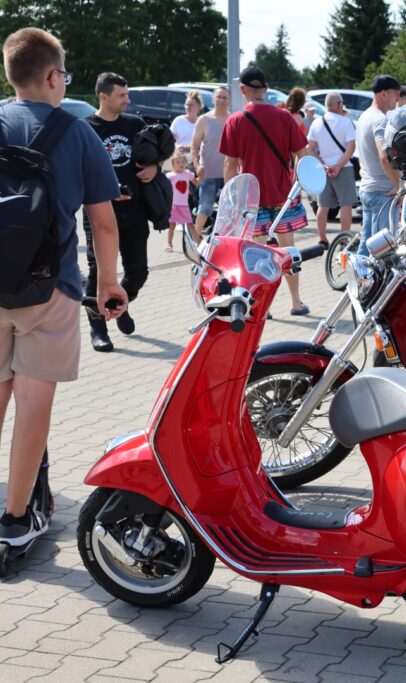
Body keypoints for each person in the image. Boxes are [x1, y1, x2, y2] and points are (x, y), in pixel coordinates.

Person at [0, 27, 126, 547]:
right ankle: (13, 522)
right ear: (53, 77)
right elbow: (103, 223)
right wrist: (108, 286)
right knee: (33, 399)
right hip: (50, 287)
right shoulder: (79, 134)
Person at [220, 66, 311, 315]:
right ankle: (296, 302)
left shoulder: (235, 120)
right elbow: (303, 154)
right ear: (266, 89)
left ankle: (261, 307)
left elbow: (229, 163)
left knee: (257, 255)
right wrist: (298, 182)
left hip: (252, 199)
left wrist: (232, 198)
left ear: (243, 90)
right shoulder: (284, 118)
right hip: (283, 195)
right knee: (288, 251)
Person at [83, 72, 160, 351]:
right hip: (99, 210)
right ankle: (97, 328)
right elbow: (77, 169)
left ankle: (117, 303)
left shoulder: (135, 124)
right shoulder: (86, 127)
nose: (128, 100)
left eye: (127, 95)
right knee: (98, 271)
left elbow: (153, 156)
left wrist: (155, 167)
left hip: (135, 210)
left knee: (138, 272)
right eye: (122, 96)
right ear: (103, 96)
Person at [354, 75, 401, 276]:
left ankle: (358, 280)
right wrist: (397, 182)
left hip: (368, 188)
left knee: (366, 242)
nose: (397, 99)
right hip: (383, 191)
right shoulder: (380, 120)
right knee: (383, 248)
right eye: (395, 95)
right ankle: (374, 289)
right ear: (384, 94)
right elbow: (384, 156)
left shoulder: (365, 116)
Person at [306, 92, 357, 247]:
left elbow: (310, 148)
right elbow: (351, 147)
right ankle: (344, 239)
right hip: (344, 168)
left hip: (324, 170)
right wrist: (339, 165)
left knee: (323, 206)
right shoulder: (346, 122)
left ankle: (322, 239)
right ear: (339, 104)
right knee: (346, 205)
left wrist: (323, 164)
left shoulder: (316, 123)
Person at [190, 85, 229, 235]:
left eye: (224, 97)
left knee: (229, 210)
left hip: (229, 174)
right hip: (208, 174)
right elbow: (194, 146)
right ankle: (196, 237)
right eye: (218, 97)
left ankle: (226, 238)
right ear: (213, 99)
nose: (221, 100)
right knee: (204, 207)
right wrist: (197, 165)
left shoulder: (232, 119)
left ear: (229, 100)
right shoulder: (204, 119)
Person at [165, 153, 196, 250]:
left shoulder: (188, 174)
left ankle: (198, 243)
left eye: (183, 162)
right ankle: (169, 243)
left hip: (184, 205)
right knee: (172, 225)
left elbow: (196, 182)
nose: (181, 164)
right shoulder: (169, 176)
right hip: (173, 205)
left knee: (190, 224)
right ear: (173, 165)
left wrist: (202, 175)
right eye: (178, 162)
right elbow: (165, 188)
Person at [170, 90, 202, 158]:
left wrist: (188, 148)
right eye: (187, 104)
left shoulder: (202, 122)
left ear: (199, 106)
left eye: (191, 105)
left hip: (197, 160)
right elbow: (170, 140)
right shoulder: (178, 120)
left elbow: (204, 143)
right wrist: (177, 146)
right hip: (180, 160)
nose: (188, 107)